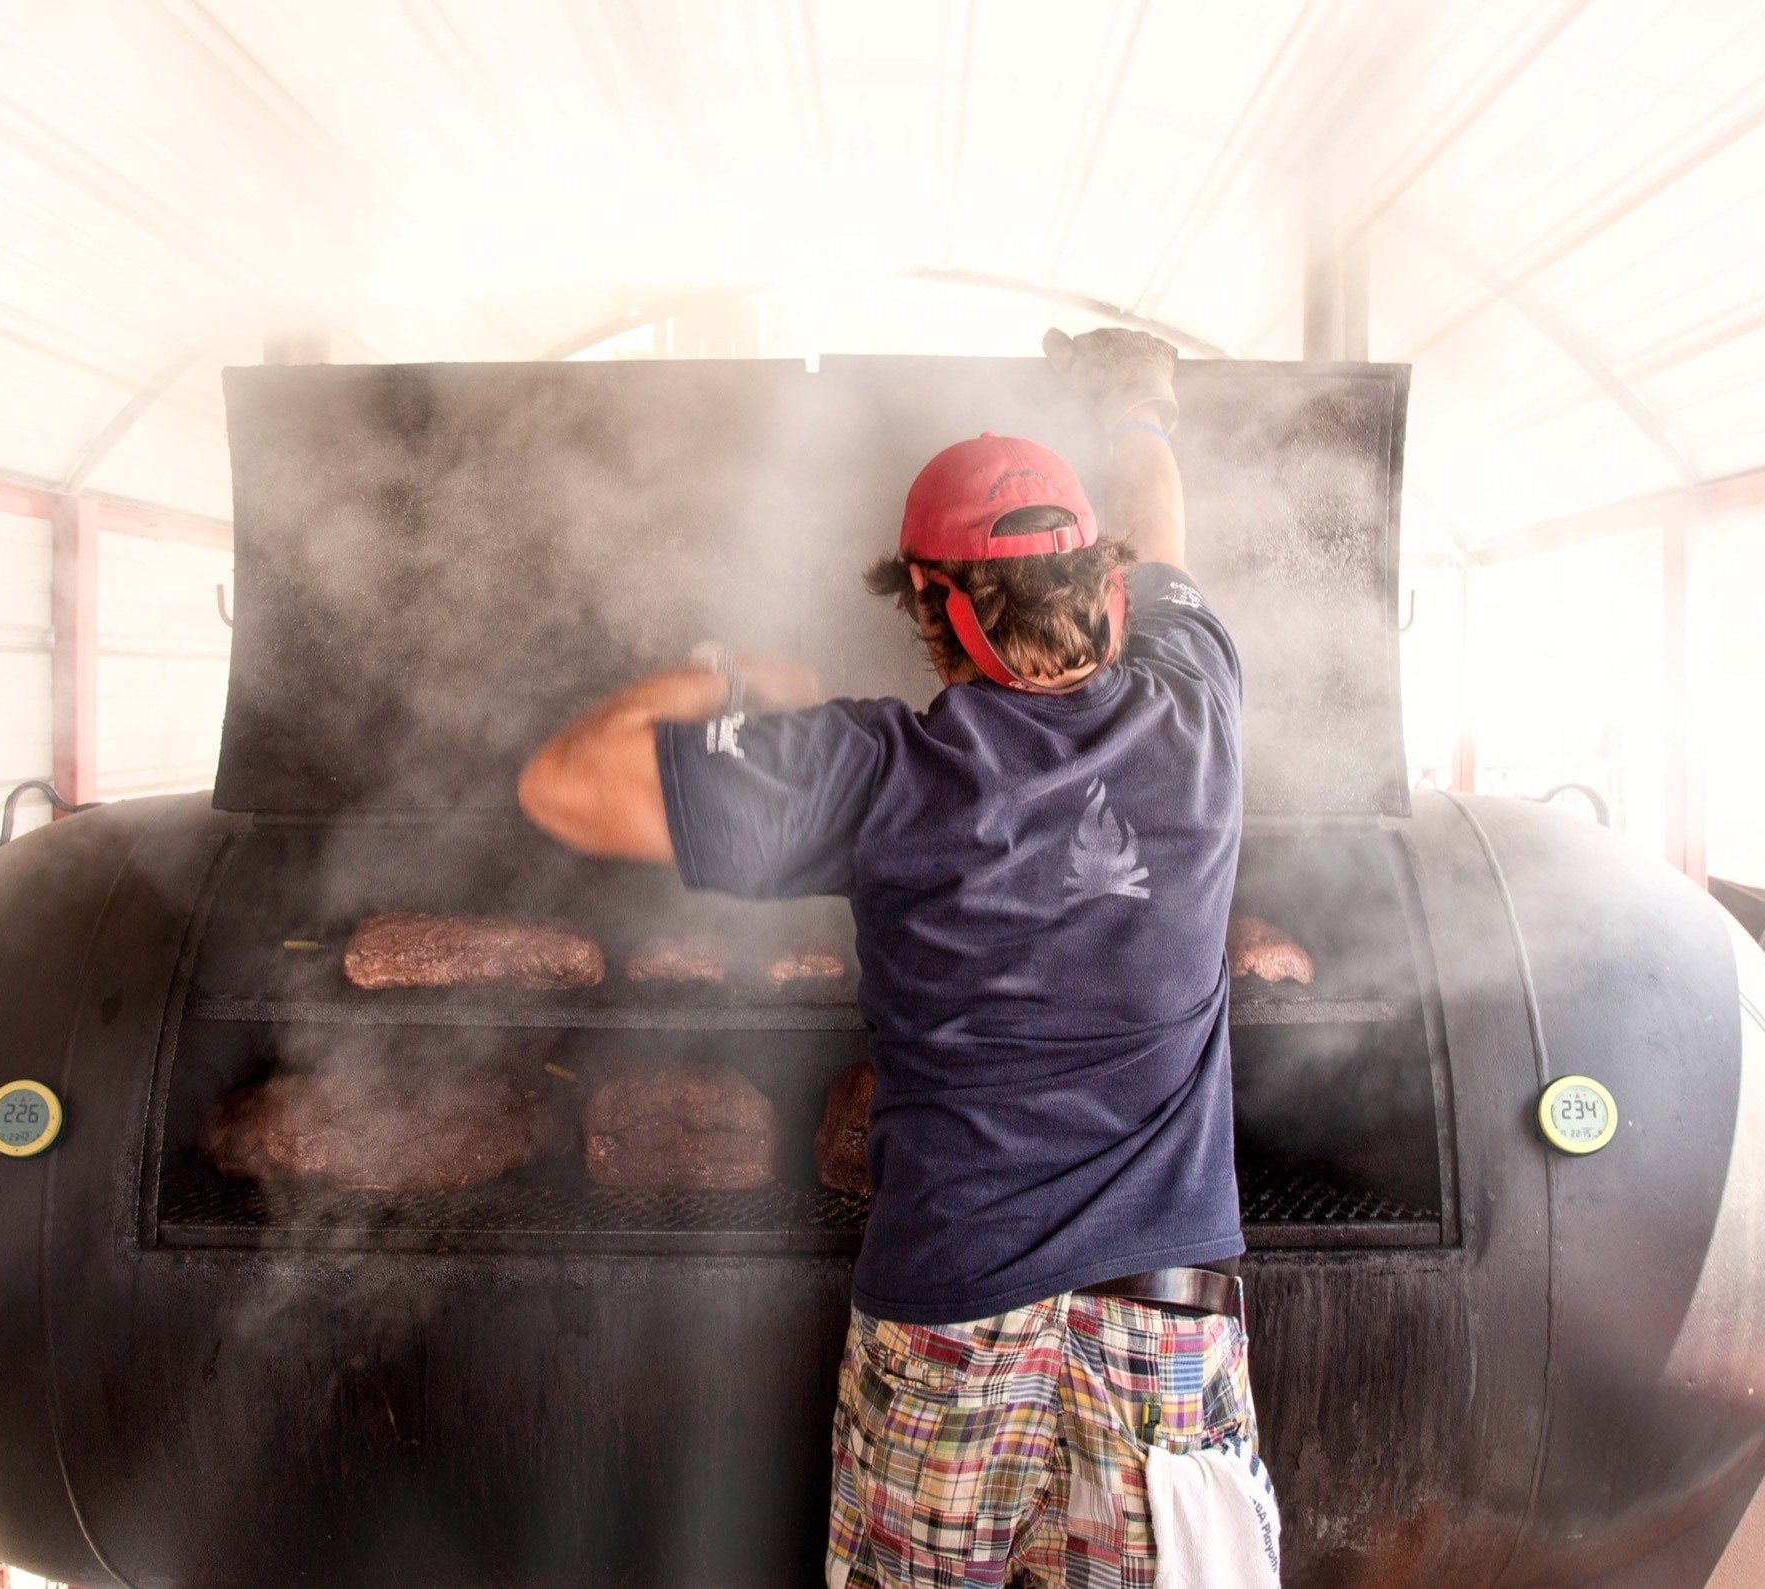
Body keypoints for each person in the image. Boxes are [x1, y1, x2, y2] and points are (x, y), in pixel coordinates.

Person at [518, 328, 1273, 1587]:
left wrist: (730, 678)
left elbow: (563, 783)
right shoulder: (1197, 712)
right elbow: (1160, 521)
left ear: (933, 606)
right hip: (1169, 1337)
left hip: (950, 1329)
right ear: (1103, 577)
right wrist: (1137, 398)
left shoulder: (877, 772)